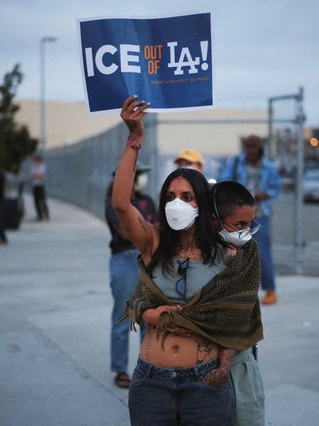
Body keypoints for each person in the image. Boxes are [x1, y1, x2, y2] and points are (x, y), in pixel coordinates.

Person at [113, 96, 263, 425]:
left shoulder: (226, 253)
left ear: (202, 205)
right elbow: (122, 204)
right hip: (151, 383)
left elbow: (237, 319)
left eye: (186, 197)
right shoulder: (154, 242)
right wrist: (134, 139)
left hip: (206, 384)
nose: (175, 204)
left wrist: (223, 367)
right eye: (169, 197)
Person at [211, 180, 265, 426]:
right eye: (239, 224)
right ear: (215, 221)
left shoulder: (249, 249)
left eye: (249, 224)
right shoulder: (197, 252)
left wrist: (226, 364)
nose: (245, 231)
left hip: (239, 359)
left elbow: (240, 307)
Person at [105, 163, 157, 388]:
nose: (142, 178)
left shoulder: (147, 201)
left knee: (148, 317)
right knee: (123, 316)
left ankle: (148, 366)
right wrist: (146, 229)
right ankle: (120, 369)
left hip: (147, 259)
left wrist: (143, 230)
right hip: (125, 260)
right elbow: (125, 232)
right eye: (139, 174)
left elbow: (158, 227)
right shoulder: (114, 203)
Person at [219, 135, 281, 305]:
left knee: (262, 253)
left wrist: (265, 194)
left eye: (254, 150)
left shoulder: (269, 167)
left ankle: (270, 290)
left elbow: (275, 187)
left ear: (260, 150)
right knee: (234, 253)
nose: (251, 154)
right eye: (248, 150)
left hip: (260, 213)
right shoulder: (236, 163)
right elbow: (224, 180)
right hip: (238, 215)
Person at [29, 153, 50, 221]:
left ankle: (46, 215)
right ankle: (39, 216)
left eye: (36, 160)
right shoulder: (33, 166)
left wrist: (34, 175)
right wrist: (35, 175)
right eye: (35, 160)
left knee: (43, 201)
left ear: (39, 160)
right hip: (35, 185)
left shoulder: (42, 166)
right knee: (36, 201)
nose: (35, 161)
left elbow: (41, 176)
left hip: (41, 185)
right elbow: (30, 175)